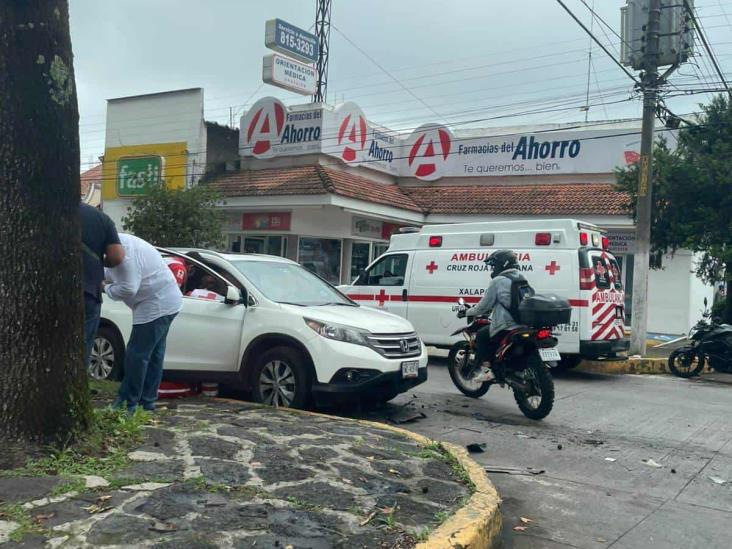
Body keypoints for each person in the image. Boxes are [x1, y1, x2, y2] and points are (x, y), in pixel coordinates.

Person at [104, 234, 182, 412]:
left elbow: (129, 289)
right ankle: (147, 402)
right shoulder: (114, 243)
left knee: (137, 354)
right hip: (166, 300)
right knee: (154, 354)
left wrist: (105, 287)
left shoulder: (126, 255)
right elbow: (107, 271)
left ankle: (127, 403)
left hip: (156, 303)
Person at [468, 249, 528, 382]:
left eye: (494, 265)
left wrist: (468, 311)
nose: (493, 269)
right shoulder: (520, 277)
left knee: (482, 335)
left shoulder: (498, 281)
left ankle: (487, 370)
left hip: (507, 325)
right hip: (523, 323)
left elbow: (484, 306)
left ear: (502, 264)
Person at [80, 203, 125, 368]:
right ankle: (77, 384)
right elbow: (117, 257)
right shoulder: (101, 218)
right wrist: (99, 262)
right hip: (88, 289)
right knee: (83, 344)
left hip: (48, 289)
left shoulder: (42, 210)